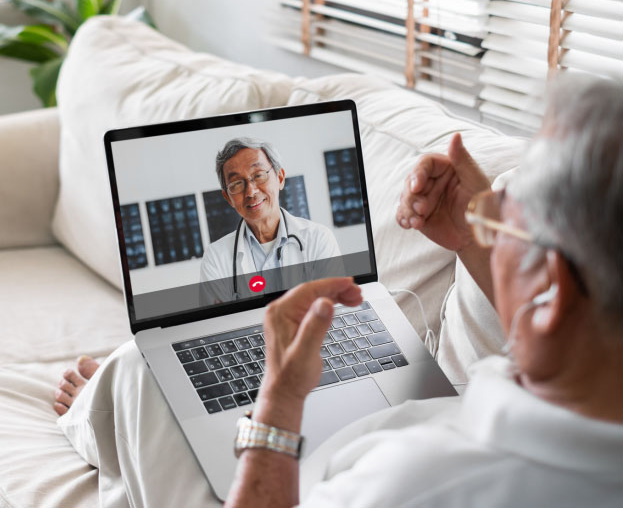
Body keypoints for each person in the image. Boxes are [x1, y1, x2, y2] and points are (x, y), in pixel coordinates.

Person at [54, 76, 623, 507]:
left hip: (298, 462)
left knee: (135, 374)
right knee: (147, 376)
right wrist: (478, 243)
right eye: (235, 184)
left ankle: (97, 415)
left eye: (504, 227)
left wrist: (277, 399)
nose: (249, 191)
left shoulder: (420, 483)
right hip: (399, 412)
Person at [199, 137, 341, 300]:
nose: (251, 192)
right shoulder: (215, 257)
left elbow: (332, 310)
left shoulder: (319, 238)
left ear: (280, 178)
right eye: (237, 184)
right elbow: (218, 324)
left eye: (258, 175)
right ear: (228, 197)